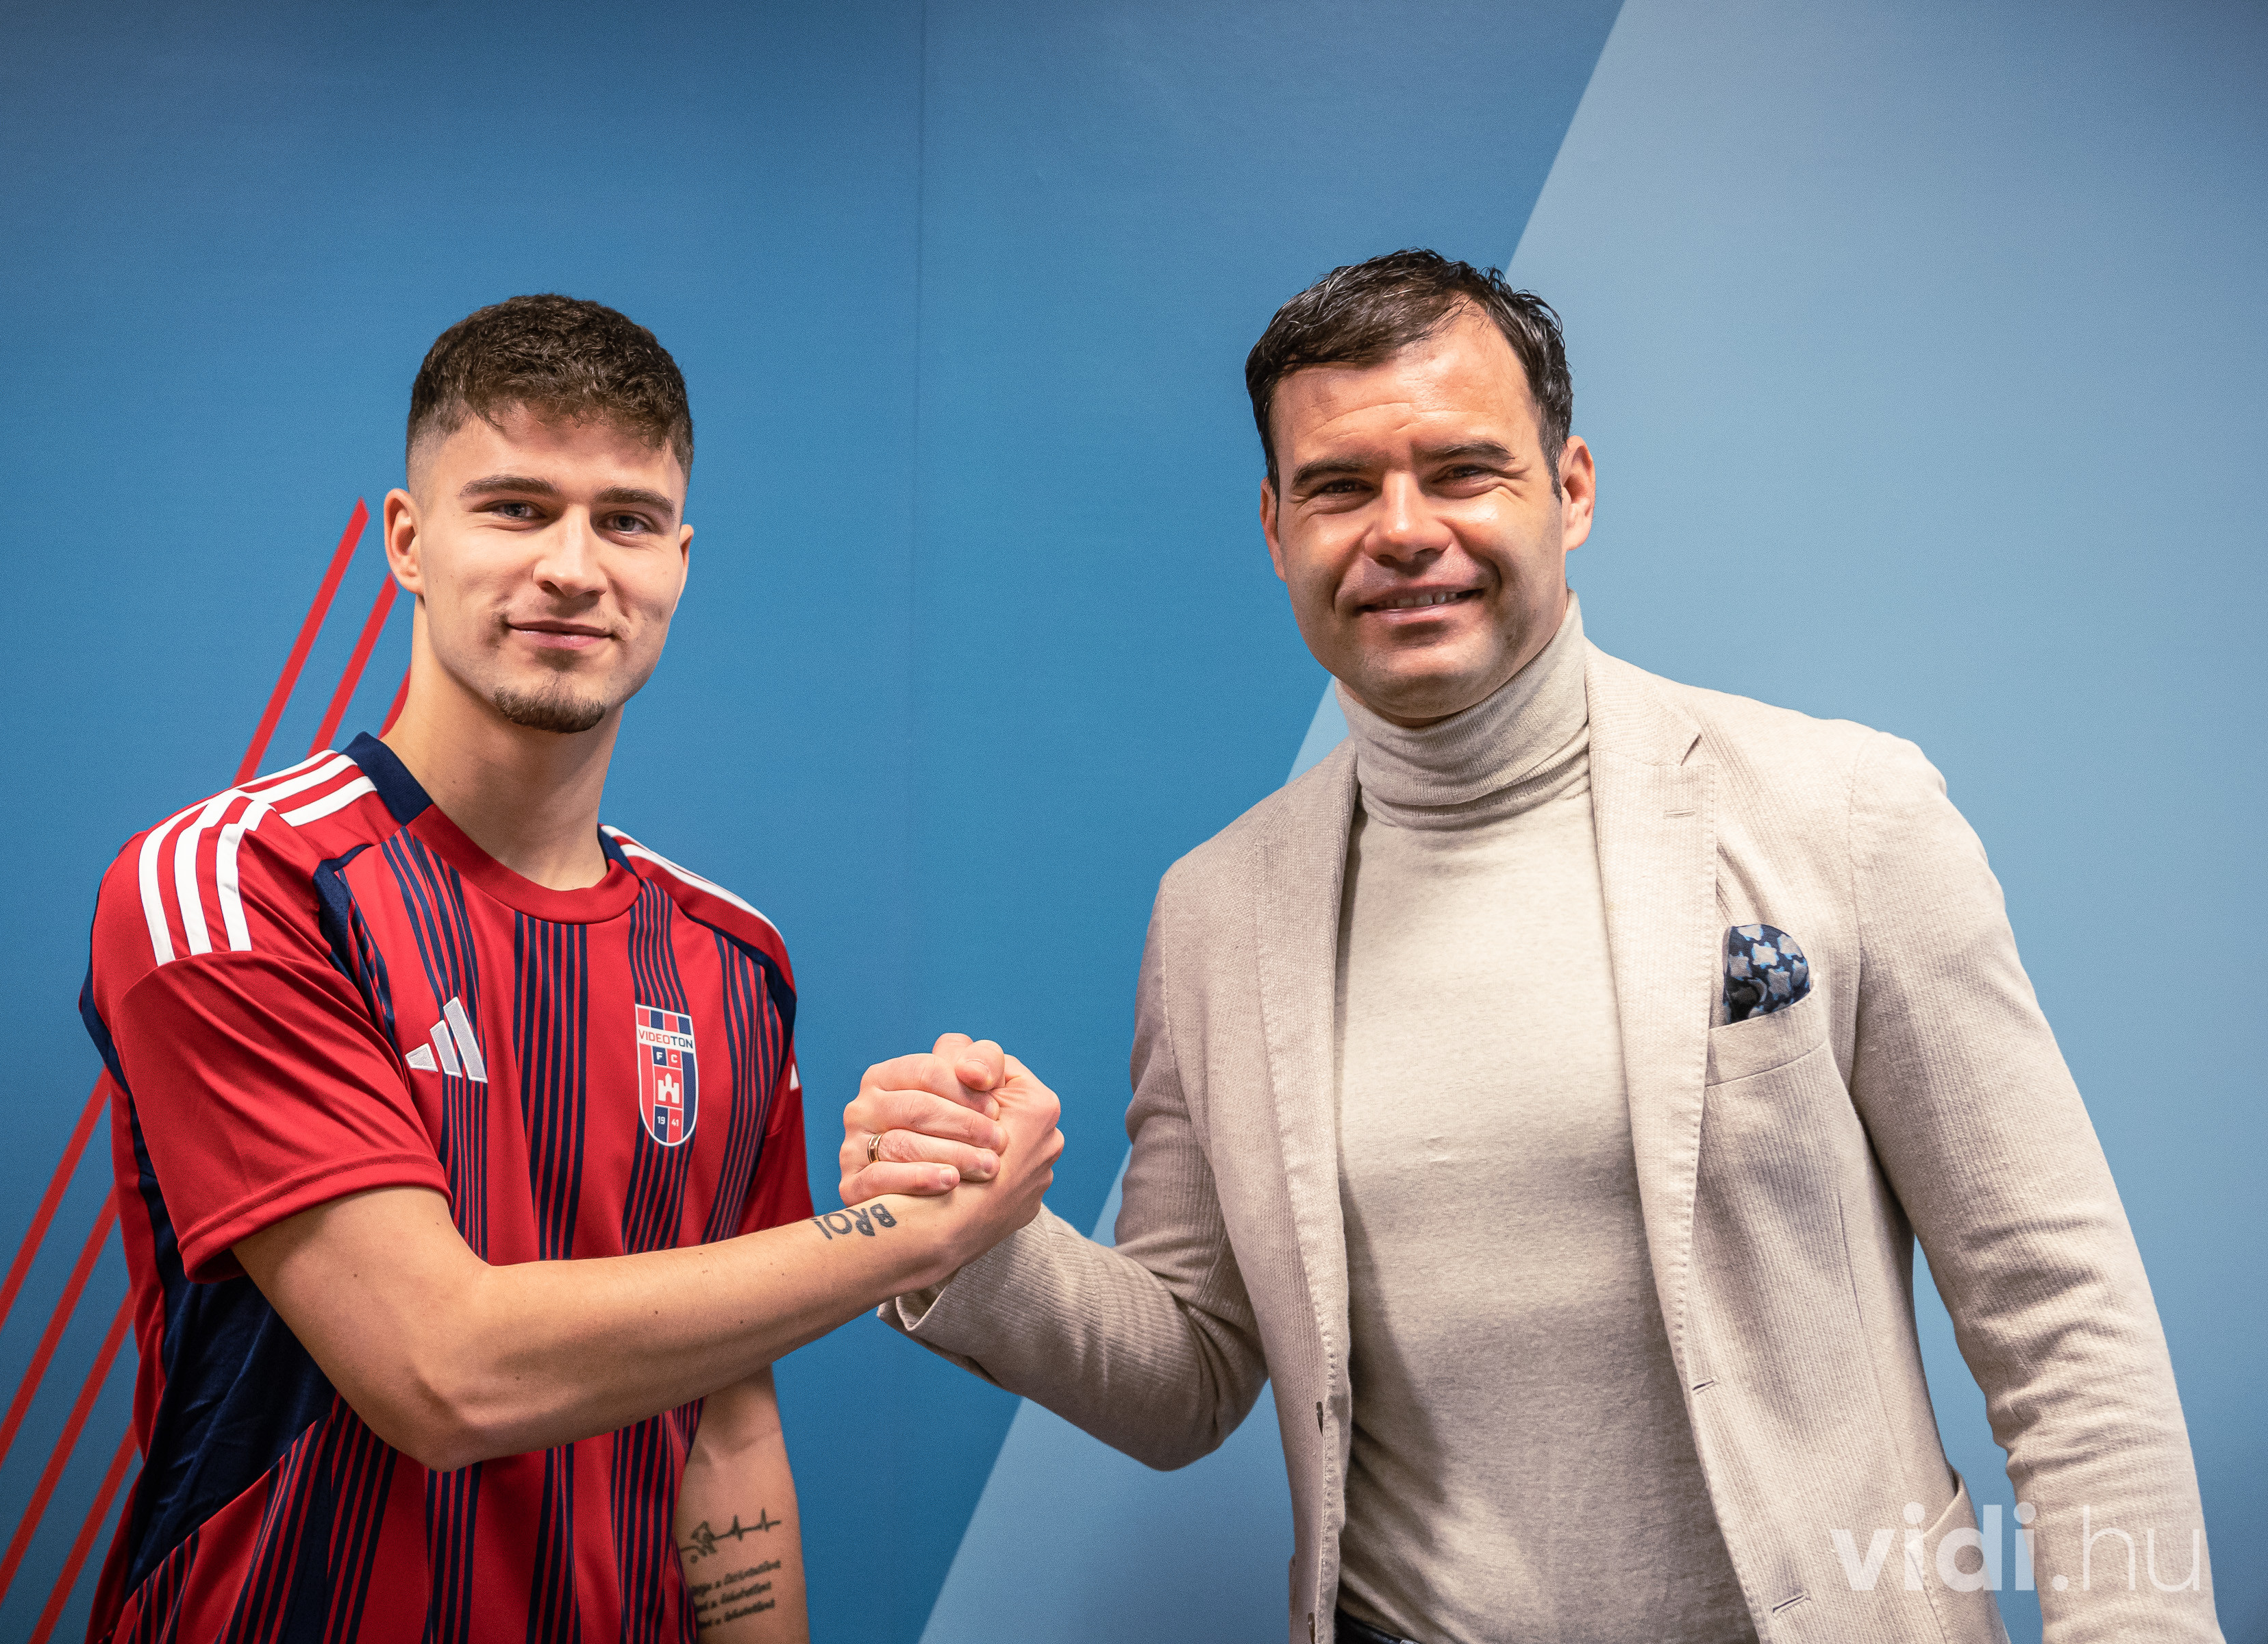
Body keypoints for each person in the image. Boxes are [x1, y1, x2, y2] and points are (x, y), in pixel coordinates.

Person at [841, 252, 2220, 1644]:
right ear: (1275, 528)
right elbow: (1188, 1375)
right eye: (1339, 487)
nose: (1401, 531)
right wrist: (982, 1245)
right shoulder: (1215, 910)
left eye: (1463, 471)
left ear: (1571, 490)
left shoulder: (1843, 814)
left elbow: (2063, 1319)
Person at [77, 295, 1058, 1644]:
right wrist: (918, 1229)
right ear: (408, 541)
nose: (573, 568)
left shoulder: (733, 959)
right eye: (516, 509)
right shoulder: (238, 883)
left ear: (680, 563)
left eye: (628, 521)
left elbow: (726, 1427)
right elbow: (442, 1373)